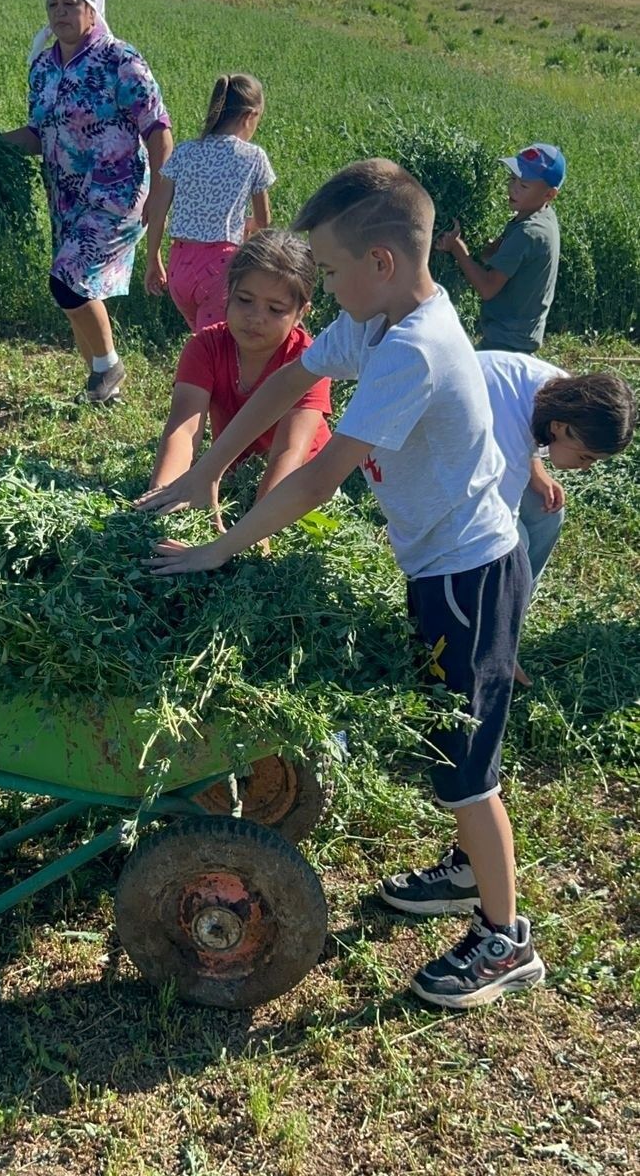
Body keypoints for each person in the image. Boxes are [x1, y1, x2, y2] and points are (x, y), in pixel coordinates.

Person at [137, 159, 542, 1011]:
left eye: (326, 271)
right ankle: (471, 871)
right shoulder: (388, 318)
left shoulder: (416, 350)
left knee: (467, 768)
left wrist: (223, 550)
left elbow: (320, 476)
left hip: (468, 576)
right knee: (449, 741)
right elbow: (288, 382)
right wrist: (207, 467)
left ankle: (506, 939)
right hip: (443, 565)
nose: (321, 285)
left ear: (381, 263)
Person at [3, 0, 173, 404]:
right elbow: (38, 134)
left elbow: (158, 129)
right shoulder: (42, 66)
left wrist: (160, 193)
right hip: (66, 198)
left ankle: (108, 367)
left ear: (92, 9)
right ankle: (103, 386)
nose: (61, 12)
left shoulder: (121, 61)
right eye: (53, 3)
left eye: (71, 3)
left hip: (118, 198)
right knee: (72, 290)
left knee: (68, 281)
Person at [476, 353, 636, 686]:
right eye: (585, 456)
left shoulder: (568, 398)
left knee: (547, 512)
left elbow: (528, 432)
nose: (587, 466)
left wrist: (537, 471)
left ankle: (509, 623)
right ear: (561, 428)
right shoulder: (512, 426)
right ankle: (487, 642)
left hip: (482, 453)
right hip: (415, 457)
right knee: (514, 544)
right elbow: (495, 541)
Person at [148, 230, 332, 506]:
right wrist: (163, 495)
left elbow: (289, 451)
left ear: (300, 314)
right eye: (245, 300)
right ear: (228, 293)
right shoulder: (205, 347)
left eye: (275, 309)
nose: (256, 318)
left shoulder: (309, 359)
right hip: (232, 475)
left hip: (301, 482)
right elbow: (184, 430)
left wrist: (259, 529)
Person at [144, 73, 276, 333]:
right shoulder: (253, 157)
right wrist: (247, 225)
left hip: (179, 267)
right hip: (220, 269)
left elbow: (158, 211)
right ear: (249, 115)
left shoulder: (184, 152)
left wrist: (153, 260)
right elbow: (263, 221)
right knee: (215, 346)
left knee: (202, 341)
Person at [435, 142, 565, 356]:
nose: (513, 188)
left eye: (523, 185)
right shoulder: (539, 215)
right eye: (512, 179)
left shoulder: (528, 233)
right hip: (515, 337)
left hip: (508, 344)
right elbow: (491, 255)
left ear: (549, 194)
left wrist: (457, 248)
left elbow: (487, 288)